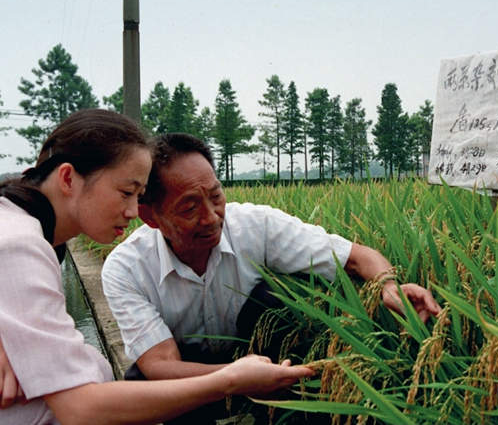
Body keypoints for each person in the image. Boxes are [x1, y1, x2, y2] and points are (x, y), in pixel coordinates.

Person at [101, 132, 443, 422]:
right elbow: (161, 365)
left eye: (216, 197)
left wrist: (387, 285)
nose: (211, 217)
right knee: (142, 380)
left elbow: (355, 258)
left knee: (274, 298)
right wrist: (235, 379)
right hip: (191, 378)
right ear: (150, 216)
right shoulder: (127, 268)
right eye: (189, 208)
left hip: (265, 361)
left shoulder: (255, 225)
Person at [0, 109, 313, 425]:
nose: (135, 211)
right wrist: (231, 380)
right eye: (126, 192)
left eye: (139, 196)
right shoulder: (22, 244)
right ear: (68, 178)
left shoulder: (26, 234)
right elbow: (81, 409)